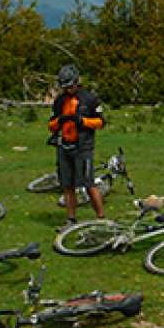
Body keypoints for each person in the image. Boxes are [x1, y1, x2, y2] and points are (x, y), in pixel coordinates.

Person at [48, 64, 106, 227]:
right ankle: (71, 219)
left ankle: (101, 218)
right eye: (65, 87)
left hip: (83, 147)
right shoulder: (60, 101)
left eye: (71, 86)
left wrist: (83, 121)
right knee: (67, 185)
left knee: (89, 184)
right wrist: (60, 121)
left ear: (76, 82)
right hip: (64, 146)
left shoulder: (89, 99)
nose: (69, 90)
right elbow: (51, 125)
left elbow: (101, 122)